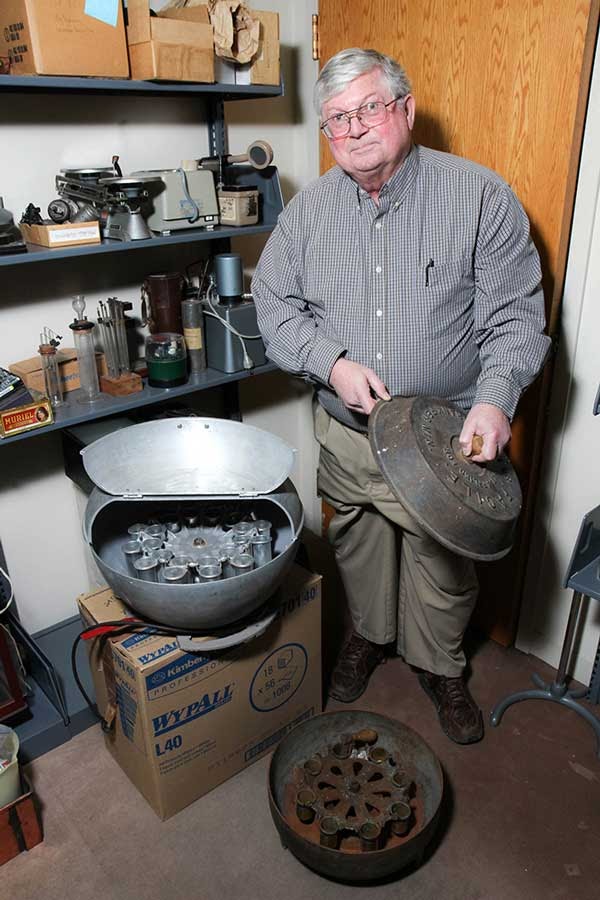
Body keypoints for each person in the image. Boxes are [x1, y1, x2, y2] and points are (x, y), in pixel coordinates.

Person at [251, 48, 551, 744]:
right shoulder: (308, 212)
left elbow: (515, 316)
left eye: (368, 108)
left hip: (446, 440)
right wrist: (331, 364)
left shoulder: (480, 197)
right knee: (356, 542)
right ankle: (369, 634)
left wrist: (495, 399)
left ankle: (440, 665)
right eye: (336, 119)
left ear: (406, 110)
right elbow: (273, 306)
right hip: (349, 435)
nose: (353, 128)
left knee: (442, 566)